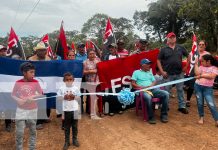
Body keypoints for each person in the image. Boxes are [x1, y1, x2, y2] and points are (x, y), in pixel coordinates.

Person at [11, 62, 43, 150]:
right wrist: (19, 100)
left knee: (33, 130)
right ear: (24, 73)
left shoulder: (36, 82)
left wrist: (33, 96)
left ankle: (32, 148)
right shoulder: (18, 82)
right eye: (31, 72)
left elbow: (40, 93)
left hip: (32, 109)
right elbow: (13, 95)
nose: (33, 74)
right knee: (19, 132)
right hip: (20, 110)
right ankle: (19, 148)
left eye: (34, 72)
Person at [157, 32, 189, 114]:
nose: (172, 38)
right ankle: (166, 106)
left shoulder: (180, 47)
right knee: (167, 90)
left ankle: (182, 106)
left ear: (175, 38)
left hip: (179, 73)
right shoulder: (163, 49)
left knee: (180, 90)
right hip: (168, 74)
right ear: (167, 39)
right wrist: (161, 71)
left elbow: (189, 56)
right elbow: (158, 60)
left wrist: (186, 66)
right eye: (170, 37)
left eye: (173, 37)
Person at [131, 58, 169, 124]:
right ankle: (151, 116)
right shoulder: (136, 72)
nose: (149, 65)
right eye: (148, 64)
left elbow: (154, 81)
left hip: (153, 89)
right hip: (143, 91)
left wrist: (151, 85)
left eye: (149, 64)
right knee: (148, 97)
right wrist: (143, 87)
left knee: (166, 94)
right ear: (142, 65)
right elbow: (133, 83)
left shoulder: (150, 72)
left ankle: (164, 115)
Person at [28, 42, 52, 130]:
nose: (42, 52)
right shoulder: (31, 60)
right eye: (40, 50)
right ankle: (38, 122)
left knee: (47, 98)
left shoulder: (48, 59)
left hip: (46, 83)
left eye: (44, 50)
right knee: (37, 101)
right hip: (35, 83)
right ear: (36, 51)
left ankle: (45, 117)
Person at [57, 72, 80, 149]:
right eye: (67, 80)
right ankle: (67, 141)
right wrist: (64, 97)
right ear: (64, 80)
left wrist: (75, 97)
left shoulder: (76, 88)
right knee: (66, 127)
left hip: (75, 110)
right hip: (66, 110)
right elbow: (58, 98)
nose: (69, 81)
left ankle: (75, 139)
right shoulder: (61, 88)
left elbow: (79, 98)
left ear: (73, 80)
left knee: (75, 126)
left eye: (70, 79)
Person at [194, 54, 218, 127]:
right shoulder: (201, 67)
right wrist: (195, 64)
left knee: (211, 104)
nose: (201, 62)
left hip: (208, 88)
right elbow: (197, 73)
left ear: (208, 61)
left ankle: (217, 120)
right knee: (200, 103)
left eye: (203, 61)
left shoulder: (215, 68)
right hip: (198, 86)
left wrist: (201, 76)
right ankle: (201, 117)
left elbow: (212, 76)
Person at [83, 49, 102, 119]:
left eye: (93, 53)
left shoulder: (98, 61)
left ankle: (100, 111)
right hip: (89, 83)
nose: (92, 55)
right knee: (91, 98)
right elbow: (83, 72)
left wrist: (91, 71)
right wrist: (91, 71)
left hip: (98, 82)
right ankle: (92, 113)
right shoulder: (85, 62)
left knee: (99, 97)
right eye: (90, 54)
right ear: (87, 55)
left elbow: (100, 70)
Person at [0, 45, 13, 132]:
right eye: (1, 51)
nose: (3, 52)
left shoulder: (10, 61)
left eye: (4, 50)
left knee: (8, 105)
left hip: (6, 87)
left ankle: (8, 124)